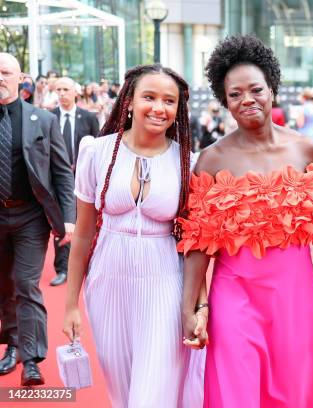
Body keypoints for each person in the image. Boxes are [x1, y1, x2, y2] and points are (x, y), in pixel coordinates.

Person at [178, 34, 313, 407]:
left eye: (255, 89)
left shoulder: (307, 150)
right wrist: (189, 306)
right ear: (225, 101)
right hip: (233, 296)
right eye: (235, 94)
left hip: (296, 296)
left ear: (272, 88)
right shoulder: (211, 160)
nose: (247, 100)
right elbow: (199, 242)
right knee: (237, 391)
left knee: (296, 392)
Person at [62, 64, 203, 407]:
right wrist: (70, 305)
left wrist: (200, 306)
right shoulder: (96, 152)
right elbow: (82, 235)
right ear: (129, 101)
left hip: (164, 282)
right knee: (123, 391)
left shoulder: (188, 163)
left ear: (177, 110)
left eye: (169, 101)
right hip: (107, 283)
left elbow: (194, 242)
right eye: (149, 97)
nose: (159, 107)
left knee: (153, 394)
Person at [0, 52, 75, 385]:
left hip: (30, 216)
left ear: (21, 79)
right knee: (4, 286)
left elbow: (61, 172)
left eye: (5, 72)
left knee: (26, 284)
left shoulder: (42, 120)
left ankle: (32, 360)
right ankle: (12, 347)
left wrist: (69, 218)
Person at [49, 77, 99, 287]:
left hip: (84, 178)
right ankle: (62, 268)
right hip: (56, 178)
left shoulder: (88, 117)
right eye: (58, 90)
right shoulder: (48, 117)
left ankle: (88, 263)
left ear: (75, 92)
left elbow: (98, 145)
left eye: (66, 89)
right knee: (61, 221)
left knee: (85, 221)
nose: (62, 93)